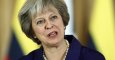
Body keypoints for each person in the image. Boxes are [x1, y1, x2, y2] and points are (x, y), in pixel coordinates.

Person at [18, 0, 105, 60]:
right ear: (33, 32)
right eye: (40, 21)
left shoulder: (93, 58)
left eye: (53, 17)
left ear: (63, 20)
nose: (49, 25)